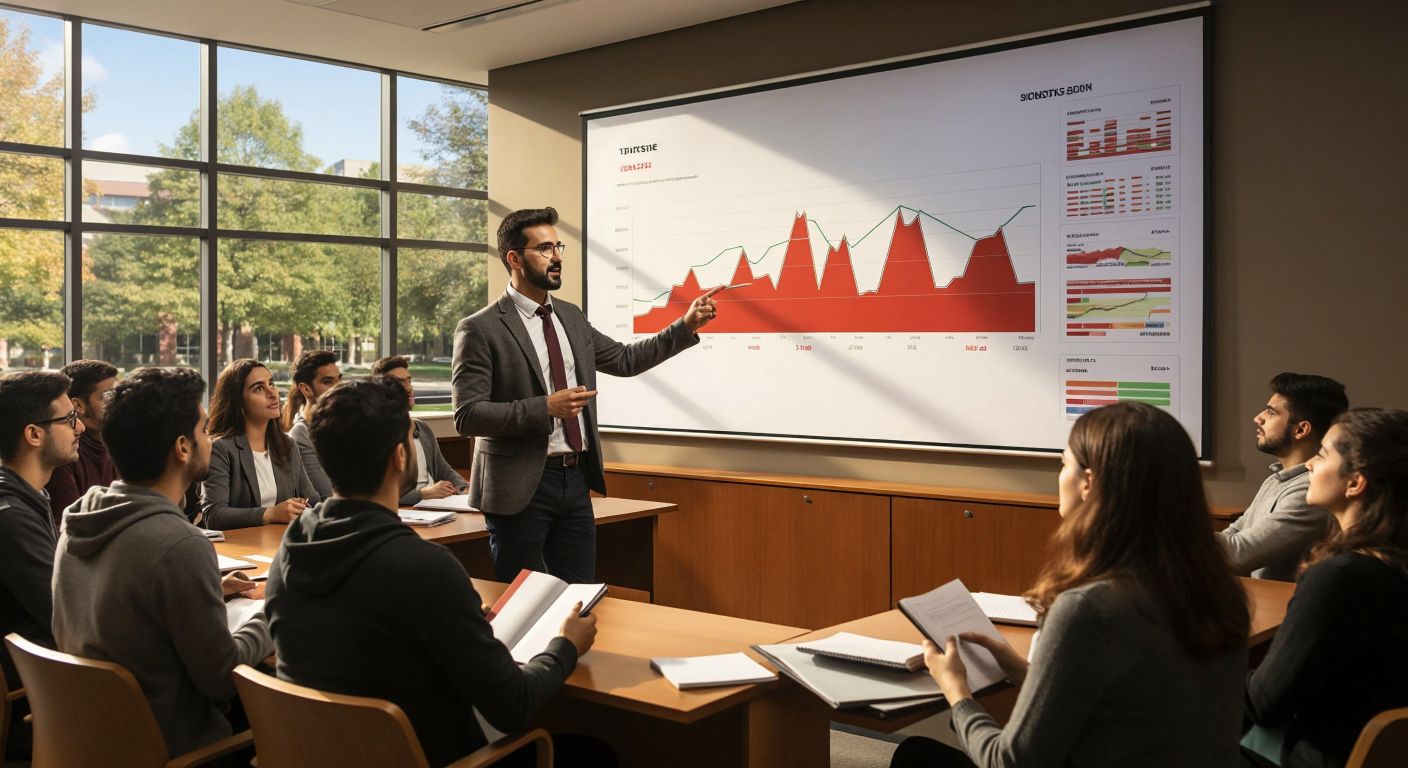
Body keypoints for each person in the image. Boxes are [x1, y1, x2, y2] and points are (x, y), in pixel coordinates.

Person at [265, 376, 611, 768]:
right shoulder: (425, 568)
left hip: (321, 755)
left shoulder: (292, 547)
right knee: (597, 754)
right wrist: (566, 645)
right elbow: (514, 706)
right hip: (434, 758)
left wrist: (460, 619)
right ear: (400, 456)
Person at [892, 403, 1249, 768]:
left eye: (1064, 463)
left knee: (915, 756)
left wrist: (958, 693)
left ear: (1088, 483)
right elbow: (1129, 701)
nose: (1059, 475)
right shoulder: (1219, 592)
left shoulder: (1089, 608)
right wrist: (1022, 670)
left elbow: (1012, 762)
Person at [452, 206, 721, 582]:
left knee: (580, 598)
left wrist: (686, 325)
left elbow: (626, 360)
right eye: (545, 249)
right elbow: (468, 415)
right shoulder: (480, 328)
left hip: (574, 480)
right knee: (523, 604)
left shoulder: (571, 317)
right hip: (518, 487)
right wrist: (544, 407)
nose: (558, 256)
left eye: (558, 246)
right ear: (514, 258)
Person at [51, 367, 272, 758]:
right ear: (182, 448)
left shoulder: (78, 520)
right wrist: (274, 610)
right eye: (204, 431)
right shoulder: (179, 545)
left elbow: (126, 604)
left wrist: (208, 591)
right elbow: (222, 678)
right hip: (177, 749)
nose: (210, 440)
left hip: (97, 740)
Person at [1242, 408, 1408, 768]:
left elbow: (1264, 704)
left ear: (1355, 483)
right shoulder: (1391, 566)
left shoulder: (1340, 577)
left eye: (1322, 454)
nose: (1310, 466)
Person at [0, 371, 80, 755]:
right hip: (42, 698)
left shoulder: (28, 497)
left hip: (47, 681)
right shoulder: (12, 515)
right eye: (68, 420)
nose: (79, 427)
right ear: (34, 434)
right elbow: (62, 613)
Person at [1218, 373, 1348, 580]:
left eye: (1271, 412)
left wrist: (1169, 527)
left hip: (1281, 608)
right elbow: (1233, 533)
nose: (1258, 417)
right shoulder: (1276, 479)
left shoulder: (1311, 491)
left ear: (1301, 430)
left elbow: (1237, 554)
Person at [199, 359, 319, 530]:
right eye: (259, 388)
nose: (273, 393)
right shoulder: (221, 448)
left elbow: (312, 500)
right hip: (239, 550)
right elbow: (214, 515)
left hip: (279, 542)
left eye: (271, 384)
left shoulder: (287, 444)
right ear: (238, 402)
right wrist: (271, 514)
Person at [371, 355, 469, 505]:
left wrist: (465, 488)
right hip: (405, 512)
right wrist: (424, 494)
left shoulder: (421, 428)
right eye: (399, 382)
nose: (409, 388)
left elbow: (443, 469)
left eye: (409, 380)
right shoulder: (375, 434)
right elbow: (379, 494)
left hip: (435, 506)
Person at [45, 359, 119, 525]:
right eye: (108, 396)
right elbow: (72, 527)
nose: (118, 402)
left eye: (118, 394)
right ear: (78, 405)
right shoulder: (64, 453)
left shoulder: (117, 445)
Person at [283, 349, 342, 500]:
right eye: (328, 382)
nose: (339, 388)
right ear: (306, 389)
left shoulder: (343, 426)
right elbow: (326, 495)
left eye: (339, 380)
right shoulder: (300, 435)